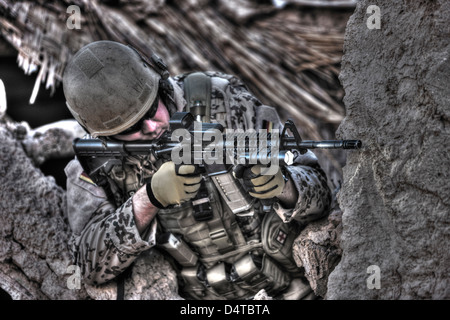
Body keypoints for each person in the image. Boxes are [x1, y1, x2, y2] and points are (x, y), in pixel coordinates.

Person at [63, 40, 331, 300]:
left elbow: (325, 192)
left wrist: (286, 187)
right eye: (132, 129)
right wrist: (148, 200)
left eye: (152, 109)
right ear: (104, 136)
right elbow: (86, 267)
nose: (153, 127)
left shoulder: (222, 99)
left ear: (160, 85)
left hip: (298, 286)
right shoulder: (94, 165)